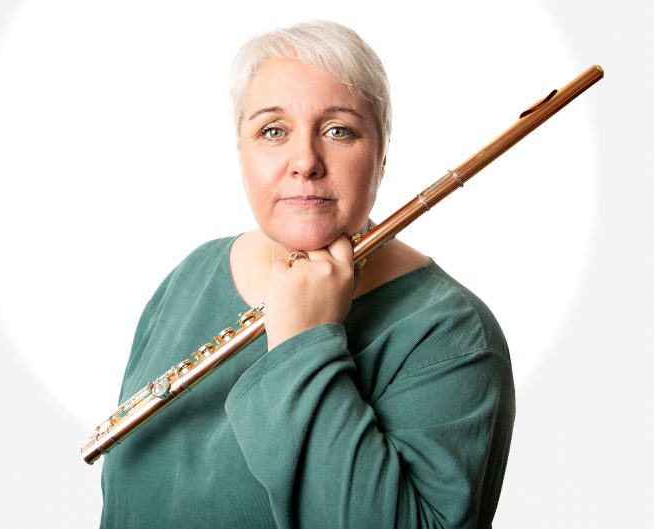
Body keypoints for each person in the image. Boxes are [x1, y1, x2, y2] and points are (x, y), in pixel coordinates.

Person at [100, 20, 515, 529]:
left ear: (382, 155)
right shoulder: (192, 275)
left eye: (338, 130)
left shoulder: (451, 332)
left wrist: (304, 344)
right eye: (272, 131)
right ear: (241, 152)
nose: (305, 162)